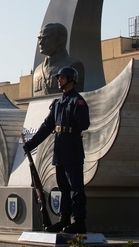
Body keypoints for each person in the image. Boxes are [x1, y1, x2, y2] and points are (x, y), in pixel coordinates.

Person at [23, 66, 91, 234]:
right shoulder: (58, 103)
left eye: (61, 78)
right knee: (63, 188)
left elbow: (84, 124)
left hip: (72, 149)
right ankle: (64, 219)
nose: (59, 81)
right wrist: (31, 144)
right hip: (60, 149)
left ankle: (79, 220)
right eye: (58, 78)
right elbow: (47, 126)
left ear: (70, 80)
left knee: (76, 188)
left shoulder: (77, 101)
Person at [32, 23, 85, 97]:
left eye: (45, 38)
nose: (40, 42)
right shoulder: (37, 71)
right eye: (39, 38)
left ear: (61, 40)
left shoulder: (74, 65)